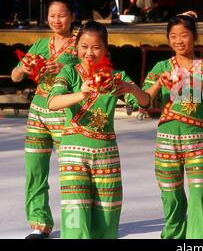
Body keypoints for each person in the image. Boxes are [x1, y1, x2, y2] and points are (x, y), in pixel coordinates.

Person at [47, 21, 150, 238]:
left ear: (106, 50)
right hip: (73, 154)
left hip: (106, 154)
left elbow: (145, 102)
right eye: (84, 47)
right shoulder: (69, 72)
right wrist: (82, 93)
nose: (89, 53)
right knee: (75, 213)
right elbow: (53, 102)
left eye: (96, 47)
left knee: (107, 215)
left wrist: (131, 88)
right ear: (76, 48)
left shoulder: (116, 77)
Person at [143, 11, 203, 239]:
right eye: (173, 35)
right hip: (167, 140)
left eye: (184, 35)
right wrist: (159, 85)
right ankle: (172, 235)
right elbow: (144, 99)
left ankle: (197, 241)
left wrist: (195, 84)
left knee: (199, 194)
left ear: (195, 36)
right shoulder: (161, 68)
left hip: (197, 140)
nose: (178, 40)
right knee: (170, 194)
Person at [10, 0, 78, 239]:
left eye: (61, 15)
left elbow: (95, 71)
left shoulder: (81, 45)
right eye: (52, 16)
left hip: (65, 113)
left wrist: (66, 69)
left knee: (71, 172)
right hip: (38, 112)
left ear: (71, 16)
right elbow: (15, 76)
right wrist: (23, 69)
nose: (56, 20)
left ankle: (74, 224)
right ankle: (39, 224)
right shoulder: (40, 44)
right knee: (35, 169)